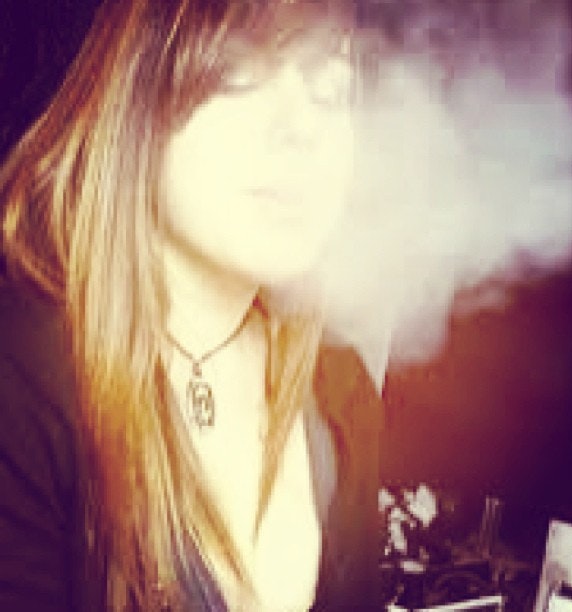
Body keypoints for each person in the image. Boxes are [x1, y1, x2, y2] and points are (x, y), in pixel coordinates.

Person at [0, 0, 384, 610]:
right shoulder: (21, 382)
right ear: (138, 102)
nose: (302, 128)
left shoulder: (342, 392)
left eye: (329, 90)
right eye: (240, 72)